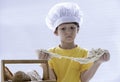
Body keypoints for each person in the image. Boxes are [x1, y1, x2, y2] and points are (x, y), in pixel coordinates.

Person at [38, 2, 110, 82]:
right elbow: (52, 80)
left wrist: (98, 62)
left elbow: (84, 79)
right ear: (56, 32)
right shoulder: (50, 54)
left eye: (72, 28)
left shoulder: (84, 53)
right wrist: (44, 63)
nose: (68, 32)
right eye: (63, 28)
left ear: (78, 30)